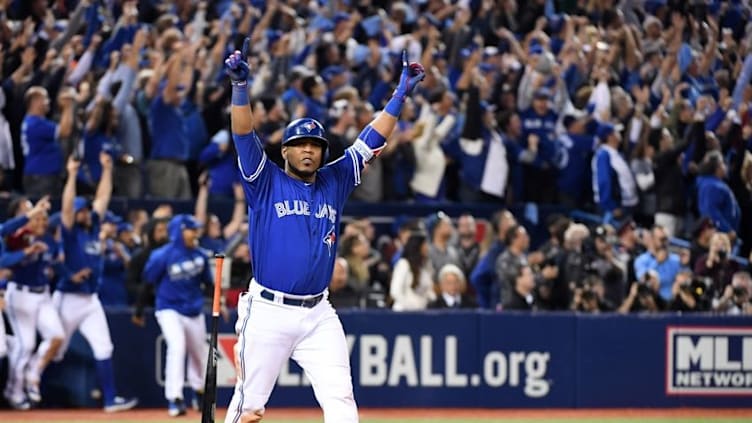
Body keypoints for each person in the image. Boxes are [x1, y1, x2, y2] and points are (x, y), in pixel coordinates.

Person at [222, 41, 424, 423]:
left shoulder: (335, 179)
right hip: (268, 309)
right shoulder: (264, 180)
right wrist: (240, 88)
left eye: (315, 145)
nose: (309, 151)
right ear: (285, 151)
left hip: (318, 313)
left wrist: (399, 95)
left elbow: (371, 140)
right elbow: (244, 135)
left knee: (342, 402)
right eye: (300, 145)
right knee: (248, 408)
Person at [55, 153, 137, 412]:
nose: (87, 213)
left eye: (87, 211)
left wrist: (107, 169)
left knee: (104, 346)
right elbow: (67, 208)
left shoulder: (92, 227)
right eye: (83, 211)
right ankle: (25, 393)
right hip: (67, 297)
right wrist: (71, 174)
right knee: (55, 349)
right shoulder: (70, 232)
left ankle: (110, 399)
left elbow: (103, 198)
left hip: (90, 300)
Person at [136, 214, 216, 416]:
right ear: (179, 231)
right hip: (168, 308)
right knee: (177, 346)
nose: (195, 233)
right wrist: (139, 308)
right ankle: (175, 398)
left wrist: (219, 302)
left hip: (193, 310)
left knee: (199, 354)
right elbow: (147, 279)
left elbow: (209, 283)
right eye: (191, 229)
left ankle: (198, 391)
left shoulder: (200, 254)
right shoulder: (162, 255)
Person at [0, 196, 61, 408]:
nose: (40, 222)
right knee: (23, 346)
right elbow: (4, 261)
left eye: (42, 218)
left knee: (56, 337)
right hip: (20, 294)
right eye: (35, 217)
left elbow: (53, 265)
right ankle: (14, 390)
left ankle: (32, 376)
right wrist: (25, 251)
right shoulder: (15, 238)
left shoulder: (48, 239)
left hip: (42, 294)